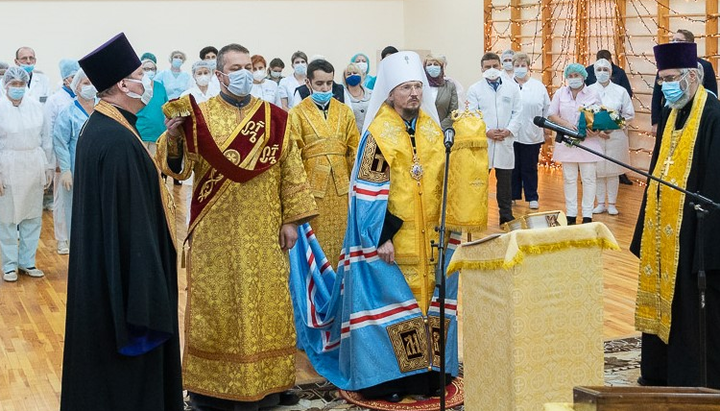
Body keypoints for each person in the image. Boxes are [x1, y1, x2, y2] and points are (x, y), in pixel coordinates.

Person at [290, 51, 468, 402]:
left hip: (432, 239)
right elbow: (367, 189)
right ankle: (388, 380)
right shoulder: (378, 134)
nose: (415, 93)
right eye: (406, 88)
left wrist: (453, 225)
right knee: (390, 312)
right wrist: (381, 236)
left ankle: (430, 377)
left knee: (431, 308)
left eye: (418, 86)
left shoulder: (433, 129)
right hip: (391, 241)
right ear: (390, 93)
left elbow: (447, 180)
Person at [158, 43, 318, 410]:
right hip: (216, 233)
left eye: (248, 66)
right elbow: (179, 169)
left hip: (265, 229)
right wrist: (176, 138)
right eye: (236, 67)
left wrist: (292, 220)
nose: (245, 73)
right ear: (219, 75)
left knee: (268, 305)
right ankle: (209, 387)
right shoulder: (199, 117)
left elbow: (291, 170)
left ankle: (272, 383)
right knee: (218, 307)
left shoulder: (277, 117)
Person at [60, 32, 183, 411]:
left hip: (107, 278)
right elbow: (132, 225)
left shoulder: (108, 126)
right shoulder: (116, 141)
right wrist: (148, 293)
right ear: (120, 84)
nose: (145, 80)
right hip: (127, 289)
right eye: (139, 73)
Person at [631, 41, 720, 389]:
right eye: (661, 79)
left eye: (671, 77)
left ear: (693, 76)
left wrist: (707, 244)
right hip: (663, 227)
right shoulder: (671, 111)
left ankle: (696, 378)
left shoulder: (713, 115)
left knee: (694, 310)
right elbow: (656, 170)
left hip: (695, 233)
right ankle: (660, 371)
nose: (665, 85)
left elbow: (714, 181)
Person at [288, 59, 359, 268]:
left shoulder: (344, 111)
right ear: (308, 83)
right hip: (312, 189)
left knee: (342, 239)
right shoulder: (297, 114)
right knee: (315, 243)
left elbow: (354, 148)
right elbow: (293, 157)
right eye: (319, 84)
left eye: (329, 83)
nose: (325, 88)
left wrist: (357, 185)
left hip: (342, 188)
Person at [0, 67, 53, 282]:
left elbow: (46, 138)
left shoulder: (36, 108)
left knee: (33, 216)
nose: (18, 88)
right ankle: (9, 265)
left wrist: (48, 167)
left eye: (21, 84)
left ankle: (27, 262)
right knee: (7, 218)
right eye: (14, 84)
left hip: (33, 163)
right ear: (6, 85)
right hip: (8, 165)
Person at [467, 52, 522, 225]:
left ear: (500, 67)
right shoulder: (475, 89)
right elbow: (472, 115)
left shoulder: (512, 87)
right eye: (487, 67)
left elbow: (518, 112)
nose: (492, 70)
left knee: (505, 183)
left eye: (494, 66)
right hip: (485, 141)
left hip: (505, 140)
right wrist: (488, 131)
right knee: (479, 182)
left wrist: (509, 130)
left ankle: (505, 215)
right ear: (481, 69)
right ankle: (476, 215)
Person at [547, 63, 602, 225]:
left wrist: (596, 129)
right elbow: (551, 114)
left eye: (576, 76)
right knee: (569, 178)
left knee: (589, 178)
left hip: (588, 143)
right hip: (567, 142)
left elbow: (600, 115)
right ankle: (571, 214)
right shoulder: (560, 93)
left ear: (583, 76)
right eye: (570, 76)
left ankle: (587, 215)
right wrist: (564, 124)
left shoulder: (593, 93)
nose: (573, 79)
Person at [52, 69, 96, 256]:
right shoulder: (68, 112)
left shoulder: (104, 109)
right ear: (75, 86)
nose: (90, 87)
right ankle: (78, 252)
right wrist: (66, 169)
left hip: (100, 169)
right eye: (85, 83)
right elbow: (60, 141)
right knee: (75, 212)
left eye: (92, 83)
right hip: (75, 169)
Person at [588, 58, 635, 216]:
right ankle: (600, 203)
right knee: (599, 171)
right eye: (599, 69)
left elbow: (629, 114)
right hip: (595, 136)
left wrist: (612, 127)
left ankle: (613, 203)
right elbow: (585, 114)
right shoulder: (588, 90)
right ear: (594, 72)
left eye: (605, 69)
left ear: (611, 72)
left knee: (613, 171)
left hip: (616, 136)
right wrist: (597, 130)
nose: (602, 72)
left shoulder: (621, 91)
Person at [651, 29, 719, 136]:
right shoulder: (666, 67)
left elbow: (712, 93)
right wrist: (656, 122)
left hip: (696, 115)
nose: (674, 43)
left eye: (678, 40)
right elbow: (657, 95)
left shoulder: (704, 66)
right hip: (671, 113)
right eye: (672, 40)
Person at [45, 59, 80, 254]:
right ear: (66, 78)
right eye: (73, 77)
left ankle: (77, 236)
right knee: (61, 199)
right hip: (61, 159)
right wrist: (55, 161)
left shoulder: (81, 100)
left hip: (79, 158)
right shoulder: (55, 100)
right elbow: (50, 131)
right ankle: (62, 239)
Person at [511, 52, 550, 210]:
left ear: (528, 67)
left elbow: (546, 109)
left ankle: (532, 196)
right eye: (517, 66)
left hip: (532, 133)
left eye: (523, 66)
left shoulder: (538, 86)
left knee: (529, 167)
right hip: (511, 134)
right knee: (512, 167)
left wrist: (546, 131)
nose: (520, 69)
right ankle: (512, 195)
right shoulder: (507, 85)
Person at [137, 56, 170, 158]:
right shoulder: (137, 87)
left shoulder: (160, 87)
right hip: (140, 133)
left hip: (158, 134)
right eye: (146, 69)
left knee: (157, 168)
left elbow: (166, 108)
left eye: (152, 69)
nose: (149, 71)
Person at [424, 54, 458, 130]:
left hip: (442, 130)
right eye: (429, 65)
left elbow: (454, 112)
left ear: (441, 67)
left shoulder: (450, 86)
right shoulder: (420, 86)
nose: (432, 67)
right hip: (422, 130)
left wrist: (439, 127)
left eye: (436, 64)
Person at [343, 63, 372, 133]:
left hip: (371, 136)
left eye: (355, 73)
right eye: (349, 74)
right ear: (345, 78)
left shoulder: (371, 94)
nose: (352, 75)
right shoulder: (342, 96)